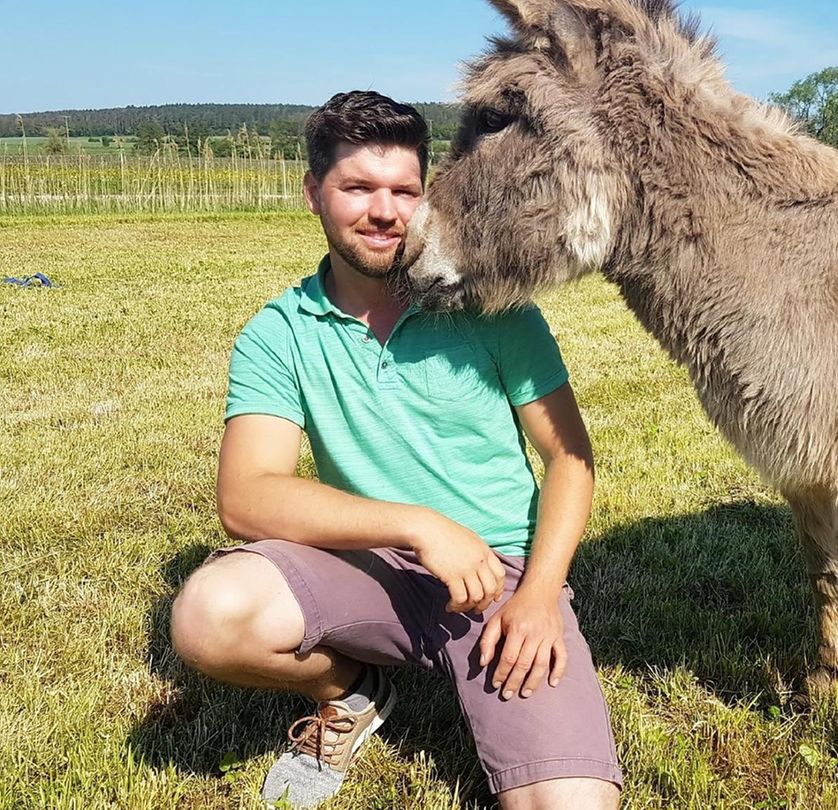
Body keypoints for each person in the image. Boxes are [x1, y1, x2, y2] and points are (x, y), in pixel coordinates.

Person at [169, 90, 621, 809]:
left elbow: (570, 459)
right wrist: (416, 524)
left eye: (404, 191)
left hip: (498, 582)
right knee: (210, 614)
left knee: (571, 803)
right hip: (370, 570)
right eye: (358, 188)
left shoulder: (492, 308)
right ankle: (349, 690)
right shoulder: (278, 334)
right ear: (314, 194)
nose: (384, 212)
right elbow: (246, 496)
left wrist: (537, 593)